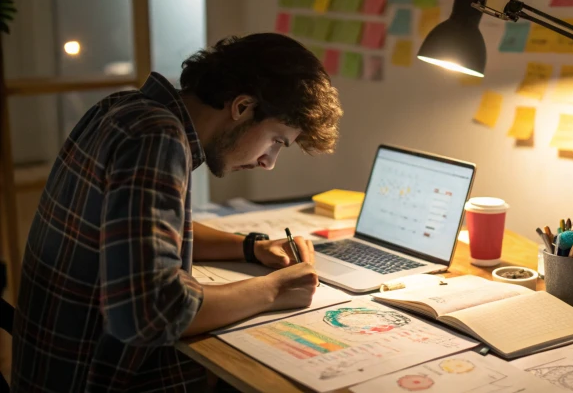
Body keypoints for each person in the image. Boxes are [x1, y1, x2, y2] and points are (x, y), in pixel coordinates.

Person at [11, 33, 343, 392]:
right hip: (97, 379)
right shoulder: (157, 139)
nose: (268, 162)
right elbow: (151, 313)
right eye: (277, 140)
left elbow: (143, 233)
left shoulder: (125, 109)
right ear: (242, 107)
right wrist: (276, 290)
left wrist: (250, 247)